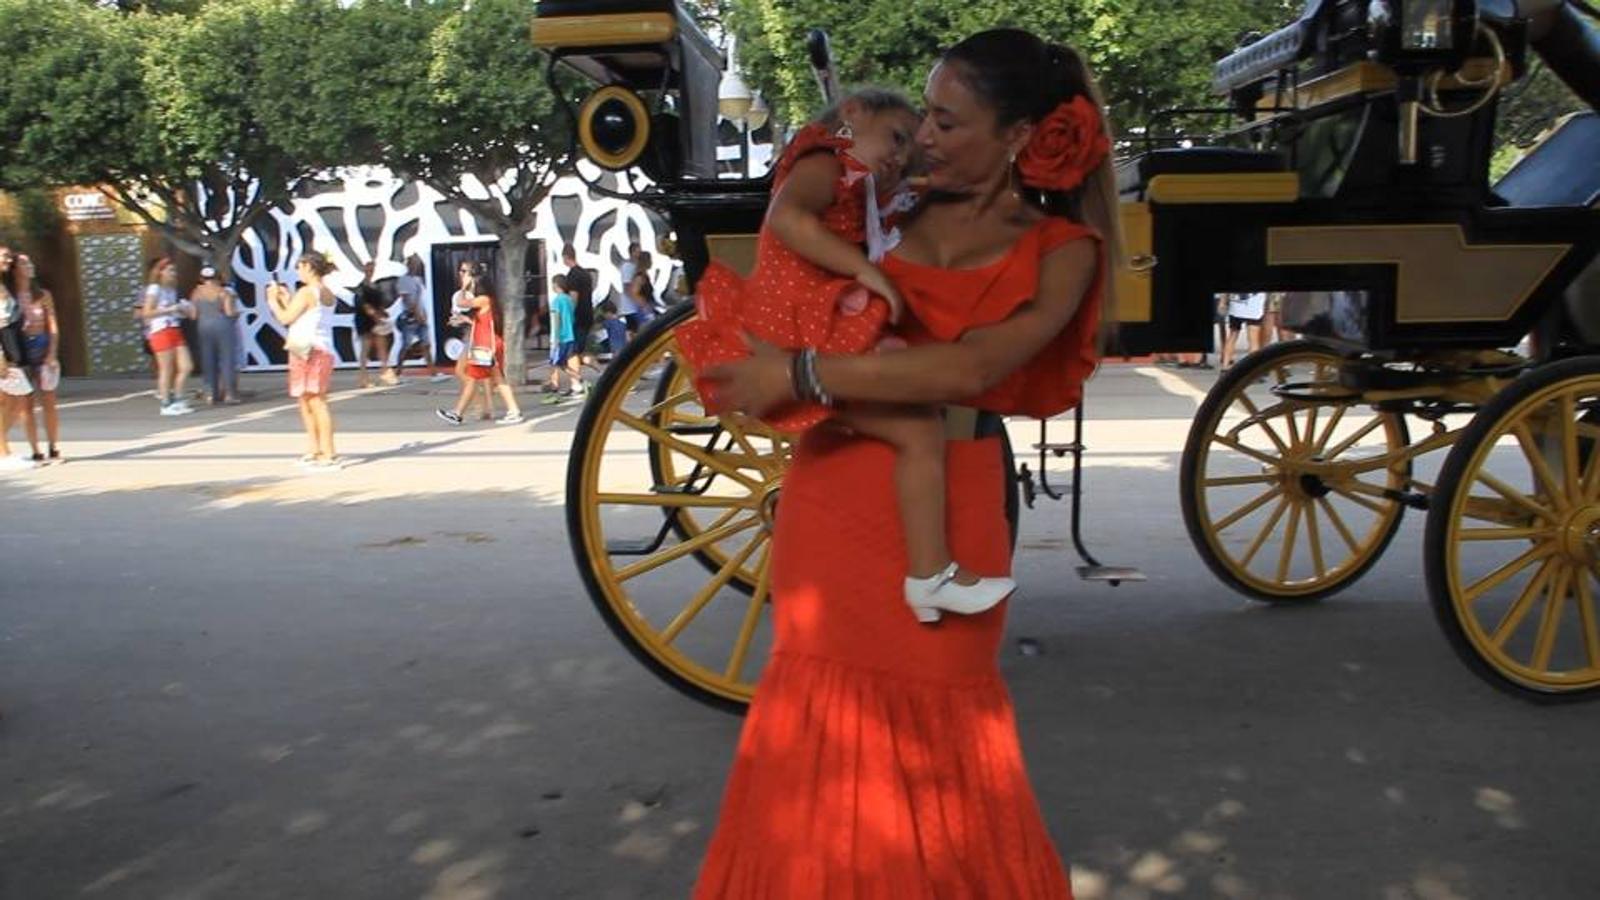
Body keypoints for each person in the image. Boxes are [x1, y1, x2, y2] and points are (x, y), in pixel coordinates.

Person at [690, 29, 1114, 897]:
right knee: (816, 730)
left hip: (949, 507)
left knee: (946, 737)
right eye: (923, 112)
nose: (922, 134)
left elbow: (968, 370)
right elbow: (786, 257)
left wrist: (804, 373)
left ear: (1019, 140)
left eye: (948, 121)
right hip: (834, 493)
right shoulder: (884, 209)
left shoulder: (1062, 251)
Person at [677, 85, 1018, 619]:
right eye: (897, 137)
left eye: (910, 151)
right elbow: (789, 219)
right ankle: (929, 574)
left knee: (919, 429)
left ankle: (929, 575)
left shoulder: (861, 189)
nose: (901, 155)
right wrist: (864, 270)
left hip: (808, 331)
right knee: (920, 429)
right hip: (787, 335)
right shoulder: (825, 160)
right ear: (853, 113)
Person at [266, 251, 341, 470]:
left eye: (300, 267)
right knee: (306, 399)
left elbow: (285, 318)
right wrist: (286, 299)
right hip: (312, 347)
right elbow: (303, 315)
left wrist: (272, 301)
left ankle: (328, 452)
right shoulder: (324, 292)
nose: (298, 271)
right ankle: (315, 449)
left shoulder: (308, 292)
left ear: (309, 267)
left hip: (310, 349)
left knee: (315, 401)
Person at [435, 264, 523, 425]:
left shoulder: (484, 299)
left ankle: (458, 413)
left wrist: (463, 286)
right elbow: (482, 322)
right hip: (486, 343)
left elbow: (461, 302)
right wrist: (466, 320)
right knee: (493, 378)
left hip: (486, 345)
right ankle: (512, 410)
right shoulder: (487, 301)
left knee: (474, 377)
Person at [10, 255, 63, 462]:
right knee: (26, 402)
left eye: (31, 263)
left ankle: (54, 446)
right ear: (14, 269)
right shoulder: (10, 296)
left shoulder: (42, 294)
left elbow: (53, 325)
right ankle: (35, 450)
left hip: (42, 345)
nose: (30, 266)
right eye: (24, 263)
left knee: (49, 399)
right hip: (20, 348)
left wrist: (52, 352)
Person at [140, 258, 196, 416]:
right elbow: (147, 313)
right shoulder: (154, 289)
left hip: (174, 328)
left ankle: (178, 398)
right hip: (160, 330)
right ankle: (166, 403)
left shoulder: (171, 290)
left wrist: (182, 310)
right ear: (161, 272)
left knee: (186, 366)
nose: (174, 273)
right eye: (170, 270)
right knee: (166, 369)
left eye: (174, 270)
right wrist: (170, 309)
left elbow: (174, 311)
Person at [0, 245, 35, 470]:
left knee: (14, 400)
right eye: (3, 256)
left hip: (13, 349)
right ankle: (3, 453)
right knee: (7, 401)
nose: (8, 259)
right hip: (3, 352)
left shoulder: (4, 285)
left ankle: (3, 449)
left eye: (9, 257)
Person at [191, 264, 240, 405]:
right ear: (217, 277)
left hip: (204, 327)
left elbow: (194, 315)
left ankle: (210, 394)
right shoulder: (223, 292)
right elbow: (230, 312)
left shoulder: (196, 293)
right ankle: (230, 394)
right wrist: (237, 313)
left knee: (208, 360)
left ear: (202, 278)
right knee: (227, 360)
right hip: (223, 326)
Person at [393, 256, 447, 381]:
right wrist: (417, 314)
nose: (416, 266)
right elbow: (406, 300)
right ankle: (398, 372)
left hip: (420, 316)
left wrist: (423, 315)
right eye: (413, 263)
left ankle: (433, 373)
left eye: (417, 263)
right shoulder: (404, 280)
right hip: (411, 318)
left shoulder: (418, 279)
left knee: (425, 345)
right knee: (406, 345)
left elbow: (420, 299)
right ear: (408, 265)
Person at [353, 261, 395, 387]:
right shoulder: (361, 287)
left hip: (375, 320)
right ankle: (363, 378)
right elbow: (365, 306)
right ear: (364, 270)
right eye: (368, 269)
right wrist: (376, 317)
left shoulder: (375, 286)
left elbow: (379, 304)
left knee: (382, 347)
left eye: (372, 269)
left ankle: (385, 373)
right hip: (364, 320)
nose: (370, 271)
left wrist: (383, 313)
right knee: (366, 349)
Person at [543, 273, 583, 402]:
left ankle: (577, 379)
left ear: (555, 285)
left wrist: (555, 338)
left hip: (561, 336)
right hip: (570, 333)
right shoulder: (569, 299)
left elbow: (556, 319)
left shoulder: (556, 301)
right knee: (565, 360)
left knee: (558, 363)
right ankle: (576, 384)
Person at [560, 244, 596, 370]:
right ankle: (580, 376)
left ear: (565, 257)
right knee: (577, 350)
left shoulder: (573, 275)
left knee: (573, 351)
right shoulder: (585, 274)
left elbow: (573, 297)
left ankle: (577, 381)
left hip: (578, 317)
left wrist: (568, 316)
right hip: (587, 313)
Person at [1220, 291, 1266, 369]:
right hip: (1254, 307)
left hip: (1236, 306)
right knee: (1253, 340)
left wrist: (1223, 301)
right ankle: (1253, 368)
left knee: (1232, 335)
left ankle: (1225, 366)